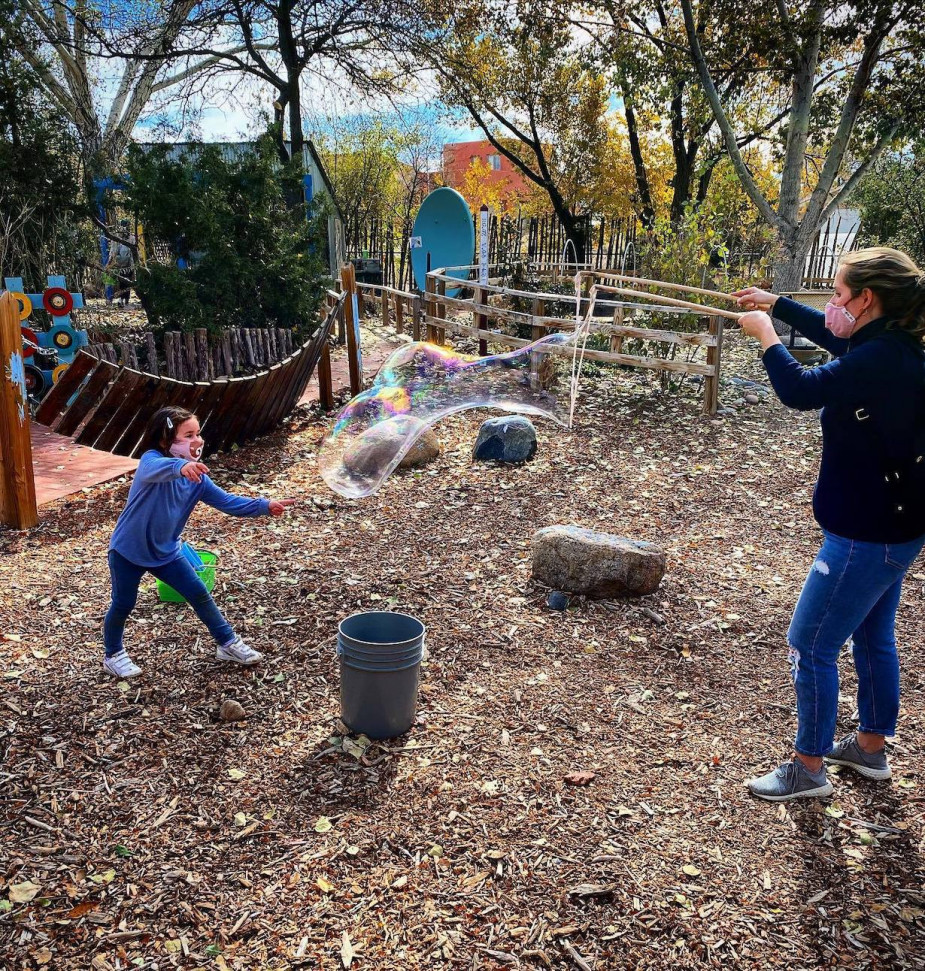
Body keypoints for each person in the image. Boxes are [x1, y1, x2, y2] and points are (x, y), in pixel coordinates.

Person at [732, 247, 925, 801]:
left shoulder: (879, 358)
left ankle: (808, 768)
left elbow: (800, 390)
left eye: (839, 295)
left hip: (865, 535)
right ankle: (869, 750)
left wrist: (767, 336)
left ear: (867, 299)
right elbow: (836, 336)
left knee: (810, 644)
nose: (833, 304)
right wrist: (777, 304)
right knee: (872, 634)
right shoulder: (892, 346)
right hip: (894, 527)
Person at [103, 406, 295, 678]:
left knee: (199, 593)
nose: (198, 440)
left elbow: (228, 502)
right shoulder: (151, 461)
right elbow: (157, 467)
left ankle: (227, 643)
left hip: (167, 552)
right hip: (128, 551)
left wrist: (264, 505)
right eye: (189, 435)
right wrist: (182, 466)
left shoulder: (198, 480)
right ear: (165, 440)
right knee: (123, 603)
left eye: (198, 433)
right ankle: (113, 655)